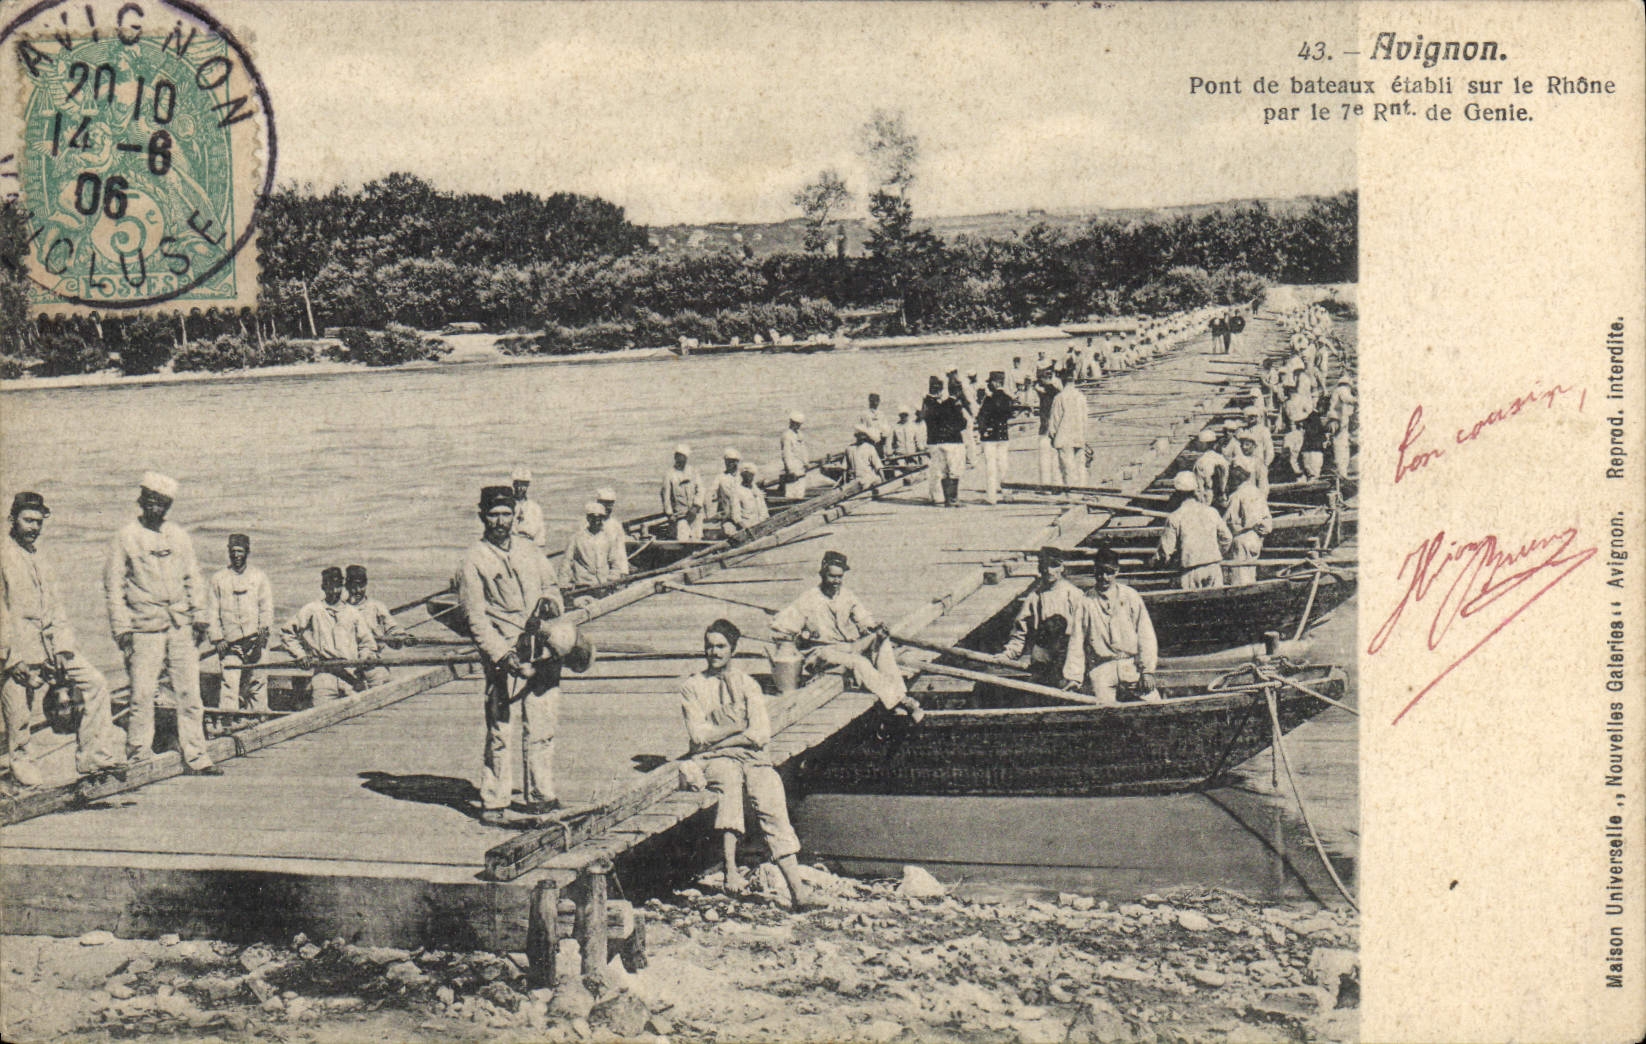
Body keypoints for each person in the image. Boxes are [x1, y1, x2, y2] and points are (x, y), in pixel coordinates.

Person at [678, 618, 820, 909]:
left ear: (733, 649)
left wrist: (720, 736)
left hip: (752, 758)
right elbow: (697, 737)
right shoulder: (692, 686)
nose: (714, 652)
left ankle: (798, 891)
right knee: (728, 780)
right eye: (709, 647)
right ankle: (729, 869)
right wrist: (735, 729)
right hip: (713, 760)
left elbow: (759, 734)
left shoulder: (748, 684)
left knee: (770, 796)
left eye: (720, 647)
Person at [457, 485, 566, 825]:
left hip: (542, 650)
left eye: (506, 513)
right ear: (482, 517)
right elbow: (474, 618)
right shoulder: (473, 560)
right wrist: (503, 656)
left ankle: (540, 796)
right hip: (505, 656)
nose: (500, 521)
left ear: (516, 515)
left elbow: (553, 586)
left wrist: (552, 603)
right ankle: (494, 801)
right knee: (501, 730)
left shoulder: (531, 550)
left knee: (542, 726)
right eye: (493, 514)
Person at [3, 492, 124, 786]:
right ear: (12, 520)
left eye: (39, 522)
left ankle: (95, 757)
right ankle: (22, 767)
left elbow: (56, 608)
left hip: (50, 649)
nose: (34, 527)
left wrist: (64, 647)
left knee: (94, 683)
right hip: (16, 651)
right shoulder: (3, 555)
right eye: (27, 520)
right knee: (19, 715)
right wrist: (11, 658)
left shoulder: (40, 558)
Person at [104, 473, 218, 774]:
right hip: (143, 627)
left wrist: (201, 618)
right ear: (141, 502)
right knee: (141, 694)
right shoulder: (125, 536)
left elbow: (194, 577)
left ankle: (197, 756)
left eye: (162, 504)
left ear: (168, 507)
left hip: (180, 624)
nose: (155, 508)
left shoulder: (179, 536)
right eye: (150, 502)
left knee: (190, 694)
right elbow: (113, 587)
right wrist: (122, 630)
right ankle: (139, 756)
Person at [771, 551, 922, 720]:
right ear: (822, 574)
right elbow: (780, 626)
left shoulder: (847, 595)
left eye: (840, 577)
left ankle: (896, 692)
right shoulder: (808, 599)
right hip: (822, 652)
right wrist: (802, 636)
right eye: (832, 577)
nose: (836, 582)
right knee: (859, 662)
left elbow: (864, 619)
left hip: (847, 646)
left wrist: (875, 628)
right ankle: (901, 700)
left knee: (882, 642)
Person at [1062, 547, 1159, 705]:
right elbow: (1076, 641)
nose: (1104, 577)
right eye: (1099, 572)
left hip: (1130, 665)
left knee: (1155, 705)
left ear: (1117, 571)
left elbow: (1145, 634)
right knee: (1103, 713)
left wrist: (1147, 671)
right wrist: (1074, 677)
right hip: (1101, 668)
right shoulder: (1085, 602)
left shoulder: (1130, 596)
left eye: (1109, 572)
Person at [281, 567, 379, 701]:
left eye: (338, 586)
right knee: (321, 715)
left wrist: (366, 657)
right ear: (323, 587)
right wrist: (301, 655)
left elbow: (367, 643)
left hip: (351, 675)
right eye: (329, 586)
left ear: (343, 587)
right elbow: (287, 632)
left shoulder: (353, 613)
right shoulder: (312, 609)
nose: (334, 591)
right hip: (324, 676)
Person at [1000, 546, 1084, 686]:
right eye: (1045, 566)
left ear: (1062, 567)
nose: (1049, 571)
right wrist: (1008, 654)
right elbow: (1020, 632)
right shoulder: (1034, 597)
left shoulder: (1075, 595)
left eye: (1054, 565)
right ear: (1040, 568)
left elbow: (1083, 633)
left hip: (1069, 656)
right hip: (1042, 656)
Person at [209, 534, 274, 712]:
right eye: (233, 551)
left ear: (247, 552)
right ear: (228, 552)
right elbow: (212, 613)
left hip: (255, 642)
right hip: (230, 644)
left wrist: (264, 630)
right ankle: (228, 723)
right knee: (229, 685)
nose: (236, 555)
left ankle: (259, 721)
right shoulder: (218, 579)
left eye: (240, 551)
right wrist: (217, 639)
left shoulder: (258, 577)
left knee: (257, 683)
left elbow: (266, 607)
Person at [1156, 471, 1233, 589]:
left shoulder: (1175, 517)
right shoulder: (1211, 512)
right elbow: (1227, 538)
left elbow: (1165, 552)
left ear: (1177, 494)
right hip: (1213, 567)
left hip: (1190, 571)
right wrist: (1217, 552)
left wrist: (1157, 562)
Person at [346, 564, 412, 687]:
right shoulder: (340, 609)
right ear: (346, 586)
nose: (357, 590)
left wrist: (402, 637)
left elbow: (392, 628)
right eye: (353, 586)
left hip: (373, 662)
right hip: (348, 664)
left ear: (366, 585)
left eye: (361, 586)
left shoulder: (376, 607)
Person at [1223, 463, 1273, 586]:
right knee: (1251, 574)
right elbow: (1267, 522)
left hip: (1242, 538)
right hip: (1256, 537)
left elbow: (1229, 521)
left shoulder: (1236, 495)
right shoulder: (1258, 492)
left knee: (1240, 579)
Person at [922, 376, 967, 507]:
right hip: (953, 441)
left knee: (942, 472)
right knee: (954, 471)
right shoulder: (954, 404)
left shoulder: (936, 404)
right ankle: (953, 499)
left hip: (937, 441)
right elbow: (962, 423)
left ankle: (946, 499)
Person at [562, 501, 627, 590]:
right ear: (588, 518)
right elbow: (567, 562)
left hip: (604, 585)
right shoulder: (576, 538)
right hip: (583, 586)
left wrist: (612, 579)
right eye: (593, 517)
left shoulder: (608, 538)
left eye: (600, 517)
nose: (597, 521)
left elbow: (615, 562)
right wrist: (563, 585)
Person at [975, 370, 1015, 505]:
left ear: (996, 382)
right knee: (1004, 465)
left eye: (991, 382)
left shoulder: (989, 400)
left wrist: (982, 431)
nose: (989, 384)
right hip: (1003, 435)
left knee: (991, 468)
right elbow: (1010, 414)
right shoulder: (1007, 399)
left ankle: (991, 497)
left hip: (990, 437)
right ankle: (1007, 494)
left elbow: (981, 417)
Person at [1047, 371, 1088, 489]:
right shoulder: (1081, 397)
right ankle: (1082, 491)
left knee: (1067, 468)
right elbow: (1085, 419)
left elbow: (1054, 419)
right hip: (1079, 435)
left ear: (1062, 381)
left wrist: (1052, 435)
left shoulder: (1059, 397)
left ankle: (1071, 495)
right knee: (1080, 466)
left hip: (1064, 437)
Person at [661, 444, 705, 541]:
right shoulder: (669, 474)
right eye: (679, 457)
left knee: (697, 537)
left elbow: (701, 490)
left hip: (695, 514)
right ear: (675, 457)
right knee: (683, 538)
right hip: (680, 516)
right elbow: (666, 497)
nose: (682, 460)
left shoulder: (693, 471)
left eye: (684, 457)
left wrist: (696, 506)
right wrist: (669, 514)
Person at [593, 486, 631, 577]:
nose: (607, 507)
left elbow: (620, 550)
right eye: (604, 504)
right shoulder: (587, 524)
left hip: (610, 567)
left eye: (610, 504)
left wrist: (624, 571)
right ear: (598, 503)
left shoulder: (615, 525)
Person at [511, 466, 548, 552]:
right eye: (518, 484)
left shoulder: (534, 508)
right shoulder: (506, 505)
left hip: (529, 547)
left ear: (528, 486)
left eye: (524, 485)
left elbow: (540, 532)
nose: (520, 488)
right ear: (514, 484)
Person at [1192, 429, 1230, 508]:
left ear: (1204, 444)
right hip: (1222, 497)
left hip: (1206, 497)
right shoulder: (1222, 458)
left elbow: (1199, 483)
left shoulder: (1201, 461)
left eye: (1199, 442)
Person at [1035, 371, 1059, 485]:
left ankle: (1045, 485)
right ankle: (1056, 484)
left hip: (1045, 429)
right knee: (1056, 460)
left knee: (1044, 459)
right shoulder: (1058, 392)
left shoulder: (1045, 394)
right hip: (1057, 430)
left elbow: (1045, 413)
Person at [729, 464, 770, 531]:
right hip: (749, 527)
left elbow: (764, 509)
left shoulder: (756, 490)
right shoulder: (737, 492)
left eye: (752, 475)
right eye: (747, 476)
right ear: (742, 476)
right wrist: (746, 528)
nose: (750, 478)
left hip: (762, 525)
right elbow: (736, 516)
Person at [710, 448, 743, 532]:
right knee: (729, 531)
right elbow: (711, 493)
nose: (728, 464)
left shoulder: (742, 477)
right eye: (727, 461)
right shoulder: (720, 478)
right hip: (728, 517)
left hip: (744, 516)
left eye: (732, 461)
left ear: (737, 462)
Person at [780, 411, 810, 499]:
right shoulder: (787, 435)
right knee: (791, 493)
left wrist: (806, 462)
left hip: (801, 467)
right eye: (797, 424)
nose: (798, 426)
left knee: (800, 492)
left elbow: (803, 450)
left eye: (799, 424)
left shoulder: (799, 434)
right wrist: (790, 469)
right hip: (793, 469)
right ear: (792, 423)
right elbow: (786, 454)